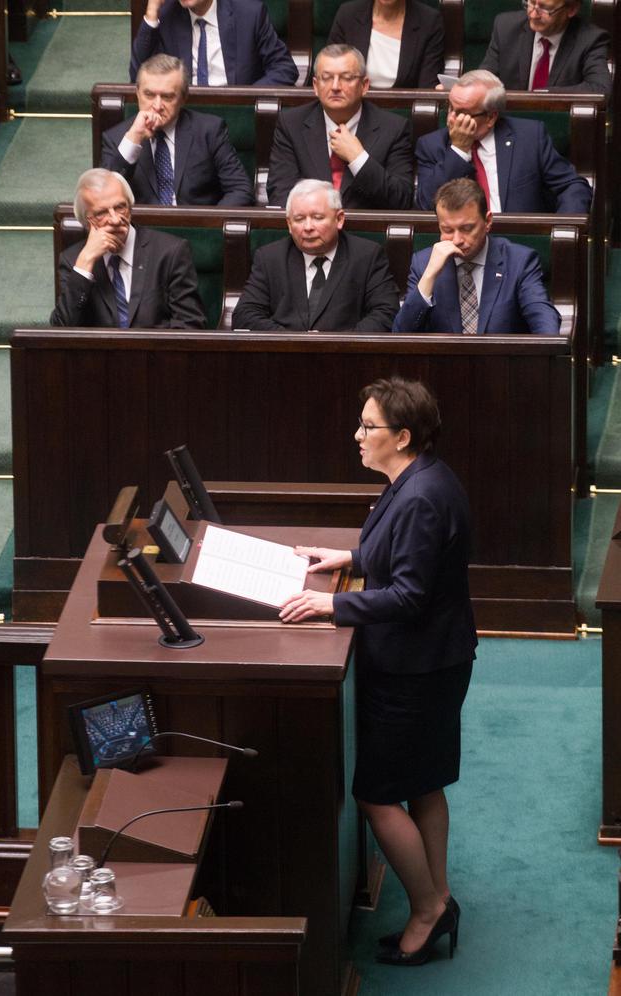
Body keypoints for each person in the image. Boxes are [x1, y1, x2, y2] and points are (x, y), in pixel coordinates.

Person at [279, 375, 477, 966]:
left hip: (418, 668)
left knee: (377, 795)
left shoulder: (419, 495)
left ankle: (426, 909)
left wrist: (331, 605)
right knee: (424, 781)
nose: (357, 434)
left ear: (404, 436)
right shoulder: (418, 479)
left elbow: (411, 595)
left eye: (369, 426)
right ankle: (437, 895)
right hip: (436, 660)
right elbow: (401, 553)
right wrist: (352, 557)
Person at [394, 178, 561, 335]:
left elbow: (544, 322)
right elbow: (401, 334)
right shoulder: (423, 263)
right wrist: (429, 276)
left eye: (467, 228)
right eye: (447, 230)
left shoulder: (519, 261)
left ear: (487, 221)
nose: (457, 240)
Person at [231, 179, 399, 332]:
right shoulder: (270, 258)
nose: (308, 227)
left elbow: (386, 314)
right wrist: (294, 343)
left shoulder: (367, 256)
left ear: (339, 219)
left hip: (346, 359)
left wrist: (335, 345)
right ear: (289, 224)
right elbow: (245, 315)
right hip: (284, 359)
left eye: (317, 217)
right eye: (299, 219)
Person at [415, 70, 592, 214]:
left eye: (462, 113)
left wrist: (565, 226)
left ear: (491, 117)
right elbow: (425, 205)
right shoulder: (432, 145)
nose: (451, 119)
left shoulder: (529, 137)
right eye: (450, 108)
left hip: (520, 244)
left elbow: (572, 186)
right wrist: (459, 150)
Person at [50, 168, 206, 329]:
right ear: (86, 221)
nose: (116, 219)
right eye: (101, 213)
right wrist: (86, 262)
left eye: (120, 207)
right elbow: (61, 329)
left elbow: (190, 325)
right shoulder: (73, 260)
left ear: (130, 207)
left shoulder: (170, 252)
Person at [266, 44, 413, 210]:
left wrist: (359, 159)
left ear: (364, 85)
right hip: (311, 229)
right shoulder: (291, 124)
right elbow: (280, 193)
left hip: (365, 232)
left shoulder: (393, 128)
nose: (335, 86)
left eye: (347, 78)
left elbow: (401, 199)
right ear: (315, 85)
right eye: (327, 78)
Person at [102, 54, 253, 207]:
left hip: (196, 226)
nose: (157, 105)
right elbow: (104, 197)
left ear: (184, 97)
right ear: (137, 92)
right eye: (149, 95)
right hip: (142, 228)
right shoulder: (117, 138)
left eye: (167, 97)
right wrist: (134, 138)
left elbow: (240, 190)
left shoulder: (209, 131)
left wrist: (210, 224)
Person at [129, 0, 298, 85]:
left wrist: (246, 99)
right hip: (184, 118)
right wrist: (152, 13)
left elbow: (285, 69)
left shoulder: (249, 13)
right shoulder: (166, 16)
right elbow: (138, 77)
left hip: (236, 113)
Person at [479, 0, 611, 98]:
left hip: (560, 125)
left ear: (571, 9)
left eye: (545, 9)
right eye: (530, 3)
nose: (533, 15)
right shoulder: (505, 26)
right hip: (510, 122)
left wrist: (542, 95)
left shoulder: (591, 39)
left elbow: (600, 88)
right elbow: (483, 79)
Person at [327, 0, 444, 89]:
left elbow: (427, 86)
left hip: (404, 112)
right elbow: (330, 70)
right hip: (353, 107)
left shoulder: (429, 22)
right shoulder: (348, 15)